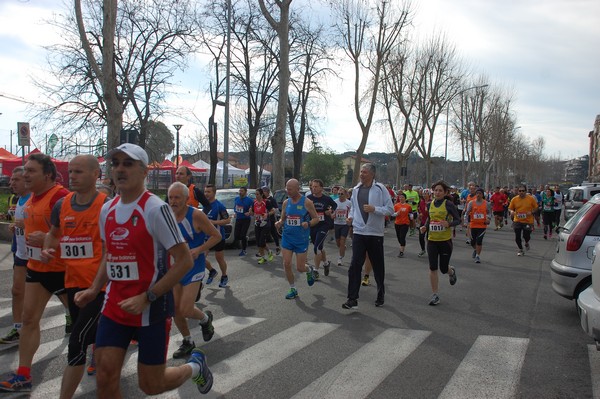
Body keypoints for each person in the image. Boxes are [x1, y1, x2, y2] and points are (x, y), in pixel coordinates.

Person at [72, 143, 213, 396]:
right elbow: (108, 254)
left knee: (151, 384)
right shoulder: (108, 209)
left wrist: (148, 296)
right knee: (104, 377)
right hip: (115, 305)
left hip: (152, 308)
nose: (120, 170)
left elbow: (184, 261)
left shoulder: (155, 209)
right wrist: (94, 289)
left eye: (128, 164)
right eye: (115, 164)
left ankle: (195, 366)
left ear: (144, 171)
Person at [0, 153, 71, 393]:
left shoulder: (60, 197)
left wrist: (50, 241)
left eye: (31, 171)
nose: (24, 175)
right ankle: (24, 375)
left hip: (65, 271)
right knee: (29, 321)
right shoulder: (30, 198)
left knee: (86, 323)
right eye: (25, 170)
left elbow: (80, 237)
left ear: (48, 174)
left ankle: (101, 356)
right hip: (37, 269)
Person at [38, 155, 108, 398]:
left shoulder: (106, 205)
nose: (72, 176)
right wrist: (48, 248)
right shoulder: (63, 205)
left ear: (95, 174)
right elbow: (53, 234)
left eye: (78, 172)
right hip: (73, 284)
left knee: (76, 342)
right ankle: (105, 365)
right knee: (93, 338)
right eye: (70, 171)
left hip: (100, 289)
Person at [168, 182, 221, 360]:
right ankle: (188, 341)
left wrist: (199, 249)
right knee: (175, 308)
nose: (173, 201)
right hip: (175, 267)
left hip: (194, 266)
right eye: (170, 198)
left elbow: (217, 236)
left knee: (185, 308)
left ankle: (205, 319)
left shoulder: (196, 215)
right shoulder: (166, 216)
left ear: (186, 199)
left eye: (177, 198)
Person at [342, 163, 394, 309]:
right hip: (359, 231)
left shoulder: (380, 189)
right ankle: (352, 299)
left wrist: (374, 209)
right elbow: (353, 208)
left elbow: (390, 210)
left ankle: (380, 293)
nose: (361, 174)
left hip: (374, 233)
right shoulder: (356, 189)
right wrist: (351, 218)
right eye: (361, 172)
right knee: (354, 266)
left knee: (378, 266)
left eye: (364, 172)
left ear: (372, 174)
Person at [274, 178, 319, 300]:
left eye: (290, 189)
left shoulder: (307, 202)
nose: (287, 191)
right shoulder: (286, 203)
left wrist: (308, 223)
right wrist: (278, 222)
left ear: (297, 189)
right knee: (287, 263)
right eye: (286, 188)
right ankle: (293, 288)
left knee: (300, 267)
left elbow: (316, 219)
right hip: (287, 237)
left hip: (301, 239)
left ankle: (309, 269)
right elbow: (283, 219)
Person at [0, 167, 31, 345]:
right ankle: (18, 329)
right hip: (20, 252)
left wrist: (26, 225)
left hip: (39, 256)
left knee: (58, 290)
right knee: (17, 291)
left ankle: (68, 314)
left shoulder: (36, 199)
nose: (11, 183)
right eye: (11, 180)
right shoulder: (17, 199)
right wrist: (15, 227)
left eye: (15, 180)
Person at [420, 180, 461, 306]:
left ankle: (451, 272)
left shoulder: (448, 204)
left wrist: (448, 224)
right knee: (433, 268)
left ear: (445, 192)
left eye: (440, 191)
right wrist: (425, 227)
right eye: (435, 190)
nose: (437, 192)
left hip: (445, 241)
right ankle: (435, 295)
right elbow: (430, 219)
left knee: (443, 269)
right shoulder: (430, 204)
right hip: (432, 240)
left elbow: (458, 220)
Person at [307, 179, 337, 277]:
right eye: (312, 186)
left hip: (324, 225)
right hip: (313, 225)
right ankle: (326, 263)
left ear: (321, 188)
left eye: (316, 186)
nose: (313, 188)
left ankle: (316, 270)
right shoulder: (308, 198)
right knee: (320, 247)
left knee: (316, 248)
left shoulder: (326, 199)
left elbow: (334, 205)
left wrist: (330, 211)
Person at [203, 184, 231, 288]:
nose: (206, 194)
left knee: (219, 258)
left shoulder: (219, 206)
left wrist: (214, 222)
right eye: (205, 191)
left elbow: (227, 220)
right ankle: (212, 271)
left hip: (218, 236)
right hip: (206, 237)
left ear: (214, 193)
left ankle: (224, 276)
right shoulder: (205, 206)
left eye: (208, 192)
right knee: (200, 257)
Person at [508, 184, 539, 256]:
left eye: (523, 191)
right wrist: (511, 211)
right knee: (517, 237)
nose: (521, 192)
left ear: (525, 191)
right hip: (517, 220)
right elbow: (510, 208)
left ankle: (526, 242)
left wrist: (531, 212)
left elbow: (536, 207)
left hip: (528, 221)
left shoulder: (531, 198)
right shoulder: (514, 199)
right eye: (520, 191)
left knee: (526, 236)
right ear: (518, 191)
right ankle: (520, 249)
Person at [463, 188, 492, 264]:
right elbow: (467, 213)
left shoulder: (486, 203)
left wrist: (488, 219)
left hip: (482, 226)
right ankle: (475, 249)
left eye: (480, 193)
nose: (478, 195)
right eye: (477, 193)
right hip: (473, 225)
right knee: (473, 242)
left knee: (479, 241)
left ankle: (477, 256)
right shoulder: (471, 203)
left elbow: (489, 213)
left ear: (482, 195)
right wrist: (466, 222)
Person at [251, 188, 274, 265]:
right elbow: (252, 212)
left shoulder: (266, 202)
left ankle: (263, 257)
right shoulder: (254, 202)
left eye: (257, 194)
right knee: (259, 242)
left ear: (261, 194)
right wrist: (250, 212)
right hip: (257, 224)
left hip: (265, 224)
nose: (256, 196)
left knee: (261, 241)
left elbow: (273, 211)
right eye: (255, 194)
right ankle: (267, 253)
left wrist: (267, 214)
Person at [233, 187, 254, 256]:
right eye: (239, 191)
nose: (240, 192)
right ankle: (245, 238)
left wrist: (249, 212)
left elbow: (252, 210)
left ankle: (244, 250)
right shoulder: (236, 199)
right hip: (238, 218)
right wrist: (235, 213)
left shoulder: (249, 200)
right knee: (236, 235)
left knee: (242, 235)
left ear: (245, 192)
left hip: (246, 219)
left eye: (242, 191)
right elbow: (235, 207)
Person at [333, 187, 351, 266]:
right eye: (339, 194)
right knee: (338, 242)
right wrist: (332, 215)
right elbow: (332, 212)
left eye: (342, 194)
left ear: (345, 194)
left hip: (345, 224)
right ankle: (343, 247)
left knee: (342, 240)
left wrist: (350, 219)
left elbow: (352, 212)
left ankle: (340, 258)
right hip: (336, 223)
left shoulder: (349, 203)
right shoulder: (335, 202)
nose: (340, 195)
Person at [392, 192, 413, 257]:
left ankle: (401, 251)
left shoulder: (408, 206)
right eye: (400, 197)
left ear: (405, 198)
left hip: (405, 223)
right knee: (399, 237)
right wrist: (395, 214)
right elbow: (392, 214)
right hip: (397, 223)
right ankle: (402, 245)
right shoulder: (396, 205)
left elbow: (410, 213)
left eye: (402, 197)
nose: (401, 198)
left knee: (402, 236)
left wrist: (411, 217)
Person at [262, 186, 281, 255]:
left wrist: (269, 212)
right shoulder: (261, 199)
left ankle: (277, 246)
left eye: (264, 191)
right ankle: (263, 250)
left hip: (271, 219)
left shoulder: (271, 199)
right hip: (263, 220)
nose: (263, 193)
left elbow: (276, 209)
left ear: (267, 192)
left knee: (273, 233)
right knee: (263, 235)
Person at [417, 189, 432, 257]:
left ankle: (430, 251)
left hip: (430, 222)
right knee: (421, 237)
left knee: (428, 238)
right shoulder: (421, 202)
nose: (424, 195)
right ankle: (423, 250)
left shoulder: (432, 202)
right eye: (423, 194)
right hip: (423, 222)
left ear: (429, 195)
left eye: (426, 194)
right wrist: (420, 213)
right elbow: (419, 209)